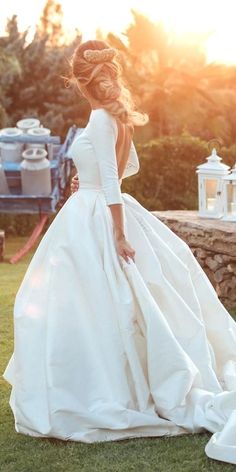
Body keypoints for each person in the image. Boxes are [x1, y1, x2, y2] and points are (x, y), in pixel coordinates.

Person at [3, 39, 236, 465]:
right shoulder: (116, 117)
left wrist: (117, 231)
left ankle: (101, 388)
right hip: (94, 203)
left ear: (78, 81)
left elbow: (113, 179)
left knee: (90, 301)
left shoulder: (98, 118)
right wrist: (84, 176)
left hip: (97, 215)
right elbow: (129, 168)